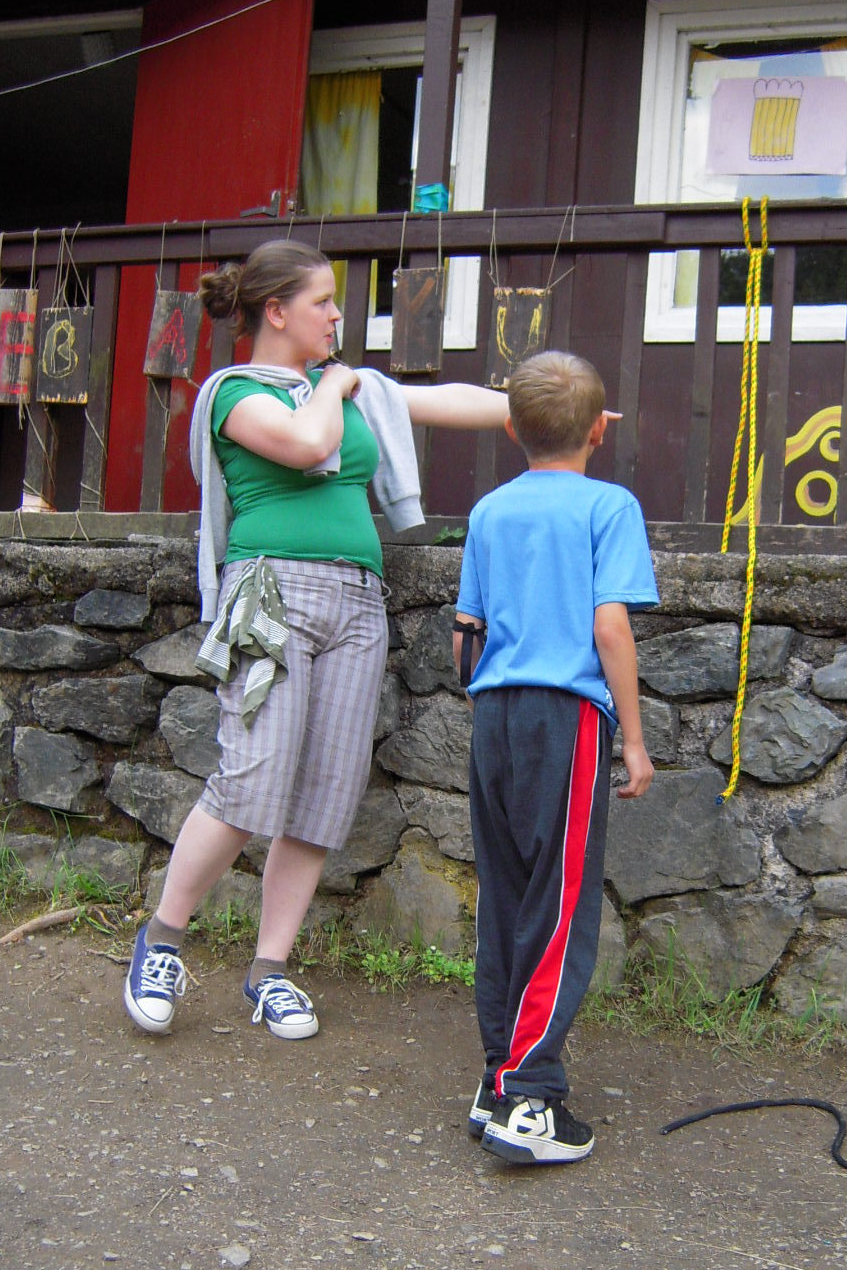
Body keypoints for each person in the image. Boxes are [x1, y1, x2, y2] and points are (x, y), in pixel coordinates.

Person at [125, 238, 510, 1040]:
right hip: (272, 595)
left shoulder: (345, 391)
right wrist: (334, 384)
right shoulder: (236, 393)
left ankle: (269, 971)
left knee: (324, 795)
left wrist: (538, 408)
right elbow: (307, 446)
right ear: (275, 311)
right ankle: (161, 942)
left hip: (357, 603)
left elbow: (441, 401)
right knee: (250, 782)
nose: (337, 315)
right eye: (322, 301)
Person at [452, 350, 659, 1166]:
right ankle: (529, 1097)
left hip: (495, 713)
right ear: (600, 430)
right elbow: (610, 626)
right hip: (566, 716)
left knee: (506, 899)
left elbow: (466, 632)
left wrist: (491, 712)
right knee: (561, 903)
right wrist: (632, 738)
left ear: (511, 429)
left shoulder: (490, 510)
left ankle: (497, 1076)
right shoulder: (610, 506)